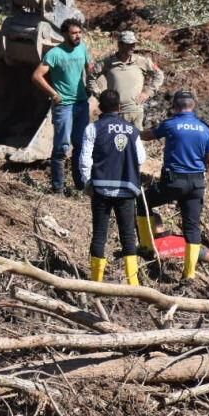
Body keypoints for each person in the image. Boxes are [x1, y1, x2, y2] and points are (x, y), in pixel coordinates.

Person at [140, 89, 209, 280]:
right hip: (196, 182)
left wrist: (134, 131)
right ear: (193, 105)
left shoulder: (171, 124)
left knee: (142, 201)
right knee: (192, 227)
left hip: (174, 181)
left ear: (174, 106)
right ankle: (188, 275)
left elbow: (148, 135)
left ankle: (146, 247)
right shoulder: (204, 128)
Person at [80, 89, 147, 285]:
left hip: (100, 188)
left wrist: (87, 182)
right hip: (127, 189)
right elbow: (141, 158)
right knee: (128, 235)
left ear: (100, 107)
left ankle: (96, 283)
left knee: (99, 234)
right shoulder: (132, 130)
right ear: (119, 107)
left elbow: (85, 159)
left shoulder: (93, 128)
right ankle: (133, 284)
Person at [32, 18, 94, 194]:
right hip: (64, 106)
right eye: (74, 33)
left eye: (79, 32)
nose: (78, 36)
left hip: (81, 104)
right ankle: (58, 187)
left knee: (80, 145)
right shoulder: (55, 53)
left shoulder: (82, 48)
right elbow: (36, 76)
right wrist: (54, 94)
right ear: (64, 34)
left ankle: (80, 185)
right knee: (62, 147)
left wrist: (91, 80)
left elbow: (89, 67)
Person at [88, 30, 164, 129]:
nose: (133, 47)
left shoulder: (141, 61)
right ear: (120, 45)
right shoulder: (108, 62)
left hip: (135, 112)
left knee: (137, 138)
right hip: (115, 113)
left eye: (134, 44)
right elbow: (90, 77)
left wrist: (148, 92)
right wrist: (100, 95)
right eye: (129, 44)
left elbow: (159, 75)